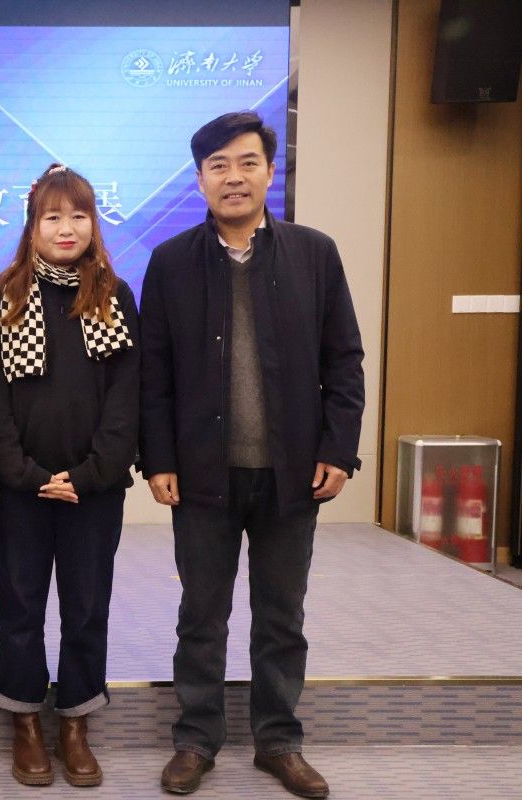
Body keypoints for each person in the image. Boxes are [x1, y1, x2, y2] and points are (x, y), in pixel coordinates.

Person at [140, 111, 364, 799]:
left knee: (281, 616)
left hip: (291, 473)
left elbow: (344, 361)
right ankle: (196, 740)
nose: (233, 177)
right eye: (218, 166)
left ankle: (279, 741)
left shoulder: (314, 253)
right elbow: (154, 374)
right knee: (201, 616)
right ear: (200, 179)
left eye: (246, 163)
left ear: (270, 171)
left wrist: (339, 449)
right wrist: (158, 460)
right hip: (202, 474)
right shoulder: (170, 261)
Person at [0, 163, 139, 787]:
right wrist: (23, 473)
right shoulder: (2, 294)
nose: (66, 228)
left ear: (93, 223)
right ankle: (24, 721)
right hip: (20, 489)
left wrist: (92, 472)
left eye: (78, 215)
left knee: (87, 606)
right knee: (19, 605)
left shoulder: (113, 295)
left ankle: (75, 721)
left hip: (93, 490)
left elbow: (127, 395)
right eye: (52, 217)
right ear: (32, 225)